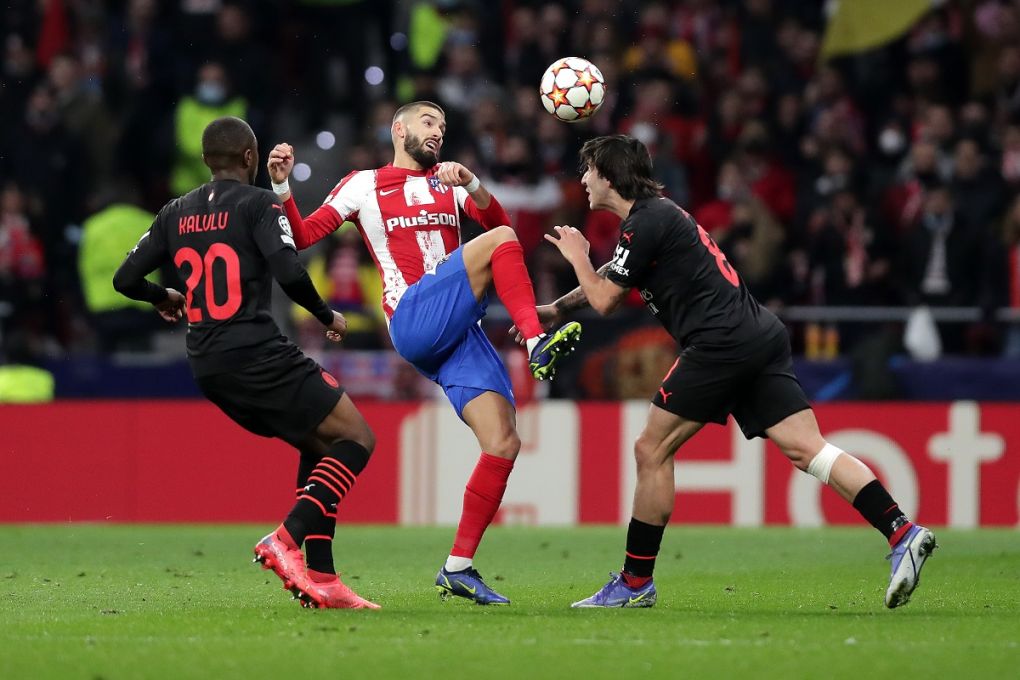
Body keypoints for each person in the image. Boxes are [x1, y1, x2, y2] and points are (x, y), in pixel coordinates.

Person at [526, 135, 936, 610]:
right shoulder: (657, 216)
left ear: (610, 175)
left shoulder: (646, 221)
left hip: (720, 343)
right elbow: (616, 276)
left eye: (588, 170)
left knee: (650, 449)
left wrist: (576, 255)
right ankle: (902, 532)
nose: (582, 180)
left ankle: (635, 583)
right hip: (757, 333)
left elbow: (605, 299)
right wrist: (558, 307)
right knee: (809, 450)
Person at [267, 100, 582, 605]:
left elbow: (503, 227)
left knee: (502, 442)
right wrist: (282, 188)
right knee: (498, 241)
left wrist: (472, 183)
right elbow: (303, 236)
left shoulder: (446, 182)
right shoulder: (363, 184)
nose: (437, 132)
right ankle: (535, 337)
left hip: (459, 332)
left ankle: (458, 567)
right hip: (412, 317)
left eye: (442, 126)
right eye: (428, 122)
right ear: (399, 128)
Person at [112, 116, 379, 610]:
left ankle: (323, 578)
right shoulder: (260, 203)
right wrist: (327, 315)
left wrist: (163, 295)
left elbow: (124, 278)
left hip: (206, 362)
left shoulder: (175, 211)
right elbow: (288, 269)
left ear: (204, 161)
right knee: (357, 438)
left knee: (316, 441)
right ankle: (286, 538)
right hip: (255, 350)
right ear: (251, 158)